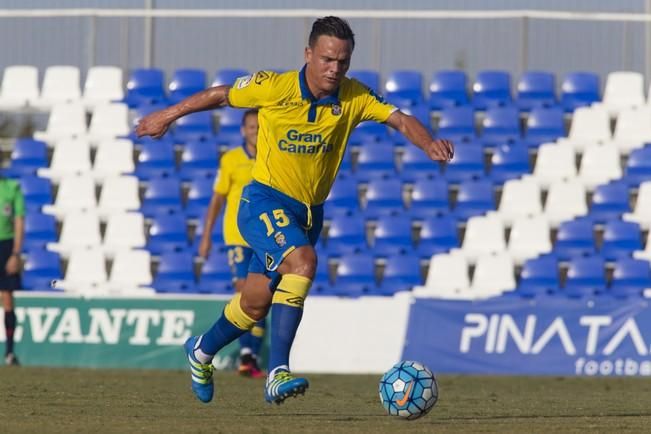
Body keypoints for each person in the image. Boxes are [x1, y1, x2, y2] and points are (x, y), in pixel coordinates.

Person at [136, 16, 453, 405]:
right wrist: (166, 116)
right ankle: (277, 371)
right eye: (326, 59)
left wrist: (428, 143)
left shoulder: (354, 97)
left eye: (342, 61)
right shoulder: (274, 86)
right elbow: (220, 95)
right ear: (308, 54)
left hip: (307, 213)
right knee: (303, 262)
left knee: (254, 302)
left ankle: (201, 350)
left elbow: (400, 120)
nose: (334, 69)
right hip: (263, 201)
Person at [198, 108, 266, 378]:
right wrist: (206, 236)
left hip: (265, 236)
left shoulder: (273, 159)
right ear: (243, 130)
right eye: (252, 127)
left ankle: (252, 356)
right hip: (237, 236)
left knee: (263, 296)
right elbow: (217, 200)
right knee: (244, 291)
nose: (256, 132)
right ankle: (246, 353)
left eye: (260, 127)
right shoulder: (230, 159)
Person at [0, 175, 24, 366]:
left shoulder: (11, 187)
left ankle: (9, 352)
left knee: (7, 298)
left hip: (5, 247)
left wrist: (15, 253)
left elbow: (18, 220)